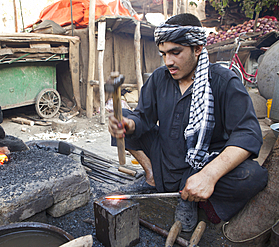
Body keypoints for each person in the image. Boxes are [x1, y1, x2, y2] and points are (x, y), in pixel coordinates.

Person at [108, 13, 268, 232]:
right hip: (163, 157)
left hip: (199, 166)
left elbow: (248, 134)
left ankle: (192, 198)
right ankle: (152, 176)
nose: (168, 62)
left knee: (253, 175)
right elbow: (143, 118)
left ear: (198, 48)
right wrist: (128, 124)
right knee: (120, 117)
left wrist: (209, 175)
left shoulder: (224, 81)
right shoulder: (159, 78)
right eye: (163, 54)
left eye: (176, 52)